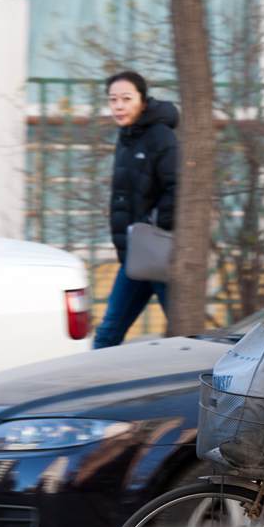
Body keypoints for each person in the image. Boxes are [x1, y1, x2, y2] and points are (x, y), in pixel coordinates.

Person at [93, 71, 179, 349]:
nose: (118, 106)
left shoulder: (160, 136)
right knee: (108, 332)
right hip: (136, 255)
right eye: (113, 100)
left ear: (142, 101)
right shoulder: (127, 137)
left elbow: (175, 186)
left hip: (158, 250)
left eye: (126, 99)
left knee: (183, 334)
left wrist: (153, 225)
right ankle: (91, 387)